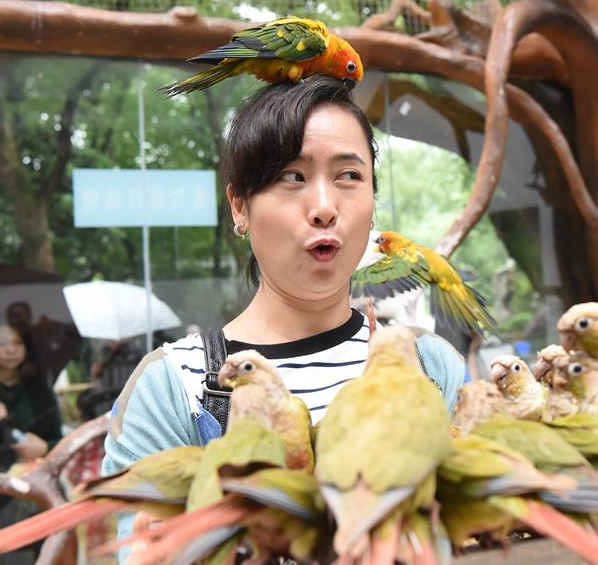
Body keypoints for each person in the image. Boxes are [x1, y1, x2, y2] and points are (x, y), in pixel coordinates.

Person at [103, 76, 467, 562]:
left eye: (349, 176)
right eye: (292, 177)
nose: (324, 208)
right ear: (240, 207)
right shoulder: (173, 387)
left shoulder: (431, 364)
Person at [0, 323, 63, 565]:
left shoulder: (38, 390)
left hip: (31, 486)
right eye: (2, 343)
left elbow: (59, 439)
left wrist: (43, 448)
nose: (11, 350)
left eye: (17, 343)